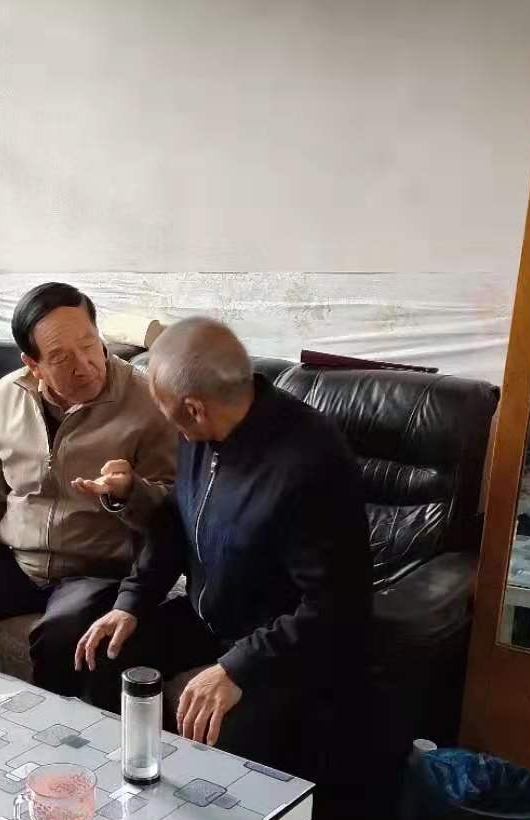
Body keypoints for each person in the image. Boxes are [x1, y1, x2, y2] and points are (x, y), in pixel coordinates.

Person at [75, 317, 371, 780]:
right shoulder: (202, 433)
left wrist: (238, 668)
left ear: (194, 409)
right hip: (211, 617)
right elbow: (177, 523)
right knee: (107, 658)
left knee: (224, 730)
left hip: (283, 648)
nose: (164, 417)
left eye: (164, 406)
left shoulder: (311, 462)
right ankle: (124, 789)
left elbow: (338, 605)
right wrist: (131, 602)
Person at [0, 282, 177, 698]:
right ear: (33, 363)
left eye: (89, 345)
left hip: (96, 570)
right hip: (19, 563)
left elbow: (172, 507)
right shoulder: (6, 396)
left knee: (60, 638)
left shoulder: (147, 401)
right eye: (60, 357)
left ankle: (50, 732)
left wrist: (129, 491)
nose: (85, 366)